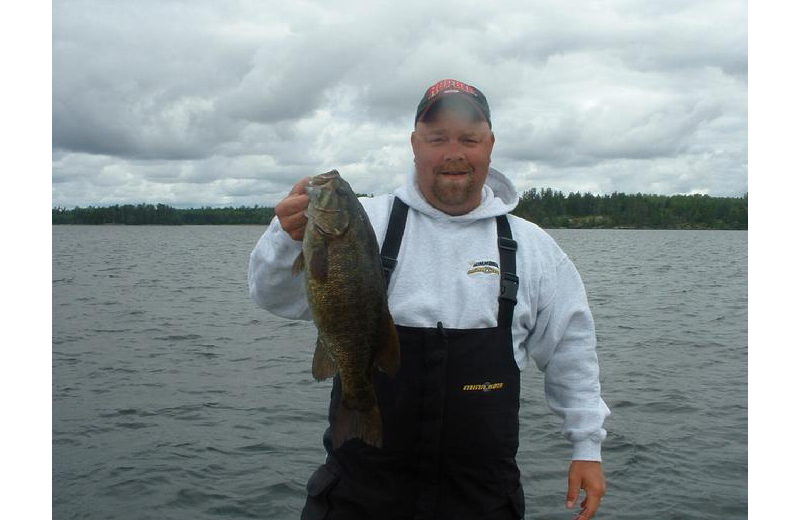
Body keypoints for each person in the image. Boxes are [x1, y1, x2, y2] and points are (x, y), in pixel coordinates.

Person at [248, 79, 610, 520]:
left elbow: (571, 348)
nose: (453, 152)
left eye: (469, 139)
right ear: (414, 145)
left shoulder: (533, 248)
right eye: (437, 139)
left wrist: (587, 446)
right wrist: (286, 239)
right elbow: (270, 295)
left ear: (490, 145)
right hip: (359, 499)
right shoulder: (368, 221)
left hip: (482, 501)